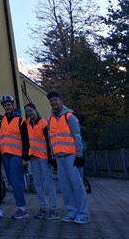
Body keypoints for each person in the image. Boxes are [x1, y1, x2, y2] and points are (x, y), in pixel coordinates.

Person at [46, 91, 89, 224]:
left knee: (77, 185)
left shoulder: (69, 116)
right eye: (51, 101)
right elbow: (51, 139)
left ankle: (83, 214)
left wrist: (79, 155)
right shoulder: (50, 120)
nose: (54, 103)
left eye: (56, 100)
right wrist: (53, 156)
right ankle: (72, 211)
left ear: (61, 100)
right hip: (59, 157)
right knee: (65, 187)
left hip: (72, 156)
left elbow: (77, 135)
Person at [24, 102, 59, 220]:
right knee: (38, 183)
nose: (29, 113)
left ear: (35, 110)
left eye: (30, 110)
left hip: (44, 157)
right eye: (27, 111)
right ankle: (43, 208)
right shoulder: (27, 123)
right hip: (33, 157)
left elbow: (49, 142)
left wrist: (50, 158)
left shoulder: (43, 123)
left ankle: (53, 209)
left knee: (48, 183)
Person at [0, 95, 29, 219]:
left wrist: (25, 158)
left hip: (17, 154)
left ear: (12, 105)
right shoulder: (2, 120)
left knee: (16, 182)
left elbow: (26, 140)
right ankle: (20, 206)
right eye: (5, 106)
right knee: (11, 181)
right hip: (5, 154)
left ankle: (22, 208)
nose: (7, 107)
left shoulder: (20, 121)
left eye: (9, 105)